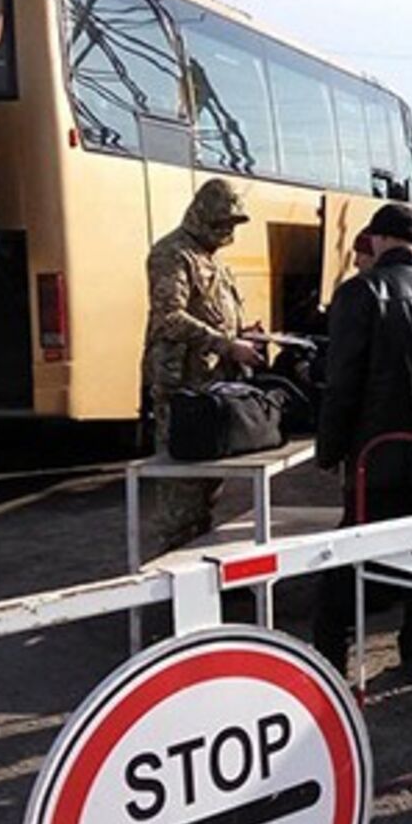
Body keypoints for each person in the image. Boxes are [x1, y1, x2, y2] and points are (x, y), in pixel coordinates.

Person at [312, 202, 412, 689]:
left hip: (373, 448)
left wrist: (329, 448)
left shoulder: (361, 292)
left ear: (378, 240)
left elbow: (342, 382)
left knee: (348, 553)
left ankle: (330, 659)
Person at [141, 178, 267, 551]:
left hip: (210, 385)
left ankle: (199, 574)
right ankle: (173, 577)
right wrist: (227, 345)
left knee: (208, 486)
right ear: (201, 216)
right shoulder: (173, 254)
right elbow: (170, 317)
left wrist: (243, 333)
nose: (226, 232)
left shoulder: (211, 260)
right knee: (182, 489)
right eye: (220, 223)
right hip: (182, 386)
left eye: (231, 225)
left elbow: (212, 313)